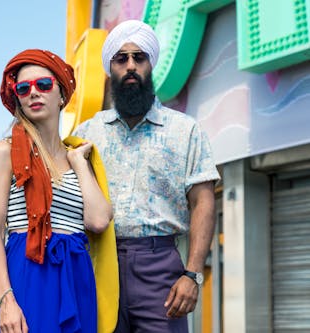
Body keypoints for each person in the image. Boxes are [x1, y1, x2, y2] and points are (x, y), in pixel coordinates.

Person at [73, 20, 221, 332]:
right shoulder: (87, 133)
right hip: (98, 263)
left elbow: (203, 203)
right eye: (121, 59)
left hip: (160, 270)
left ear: (150, 64)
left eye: (139, 58)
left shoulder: (185, 131)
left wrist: (192, 274)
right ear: (109, 69)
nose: (130, 66)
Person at [0, 49, 114, 333]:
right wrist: (5, 298)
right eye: (23, 88)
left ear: (62, 95)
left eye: (44, 85)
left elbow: (99, 220)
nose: (34, 93)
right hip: (30, 268)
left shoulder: (78, 155)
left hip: (76, 271)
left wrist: (79, 163)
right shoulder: (4, 152)